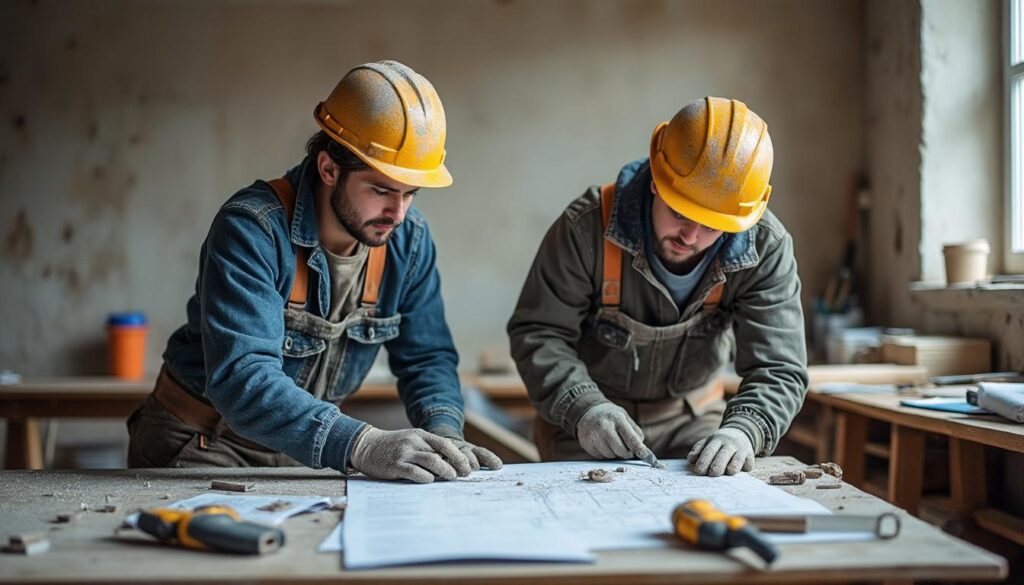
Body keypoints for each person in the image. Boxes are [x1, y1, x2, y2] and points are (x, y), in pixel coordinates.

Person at [128, 60, 502, 483]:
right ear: (329, 168)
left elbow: (427, 358)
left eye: (409, 194)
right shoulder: (253, 228)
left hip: (301, 451)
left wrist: (443, 435)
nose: (397, 213)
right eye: (380, 190)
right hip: (202, 443)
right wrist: (360, 444)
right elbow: (243, 378)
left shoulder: (407, 238)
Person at [508, 97, 807, 477]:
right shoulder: (585, 229)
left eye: (712, 226)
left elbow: (779, 366)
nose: (690, 236)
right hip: (592, 422)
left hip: (694, 418)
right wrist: (583, 407)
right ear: (656, 179)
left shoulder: (765, 246)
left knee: (715, 506)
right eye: (680, 212)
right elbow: (539, 332)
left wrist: (744, 430)